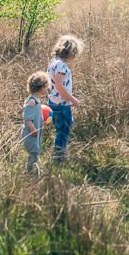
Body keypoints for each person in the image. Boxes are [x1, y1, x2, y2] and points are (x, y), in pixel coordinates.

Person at [47, 35, 83, 163]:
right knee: (63, 133)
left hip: (53, 102)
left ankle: (59, 157)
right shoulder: (61, 66)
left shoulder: (53, 62)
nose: (74, 58)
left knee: (59, 131)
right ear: (69, 52)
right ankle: (60, 159)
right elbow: (59, 86)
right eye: (74, 54)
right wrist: (73, 99)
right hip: (61, 105)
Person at [22, 71, 48, 175]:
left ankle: (34, 168)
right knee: (34, 150)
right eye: (45, 87)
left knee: (36, 149)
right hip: (30, 131)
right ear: (41, 88)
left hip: (35, 130)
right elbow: (27, 118)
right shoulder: (31, 101)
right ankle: (31, 170)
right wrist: (32, 128)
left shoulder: (36, 99)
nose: (46, 90)